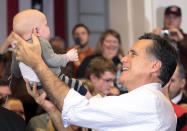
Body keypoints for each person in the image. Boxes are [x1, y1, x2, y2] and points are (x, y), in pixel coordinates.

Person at [12, 32, 178, 130]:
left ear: (155, 66)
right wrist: (53, 110)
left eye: (133, 54)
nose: (124, 59)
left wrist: (38, 64)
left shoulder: (148, 101)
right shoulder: (145, 101)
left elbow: (78, 109)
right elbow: (82, 114)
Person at [10, 9, 78, 88]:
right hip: (50, 82)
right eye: (46, 25)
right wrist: (67, 57)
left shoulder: (17, 48)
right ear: (36, 30)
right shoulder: (42, 42)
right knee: (78, 85)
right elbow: (52, 60)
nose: (48, 28)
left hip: (31, 85)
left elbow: (15, 71)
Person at [152, 5, 187, 81]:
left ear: (180, 20)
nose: (171, 20)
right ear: (164, 19)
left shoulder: (184, 38)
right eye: (168, 16)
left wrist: (182, 40)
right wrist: (152, 38)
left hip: (182, 80)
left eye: (175, 17)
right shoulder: (156, 36)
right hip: (160, 78)